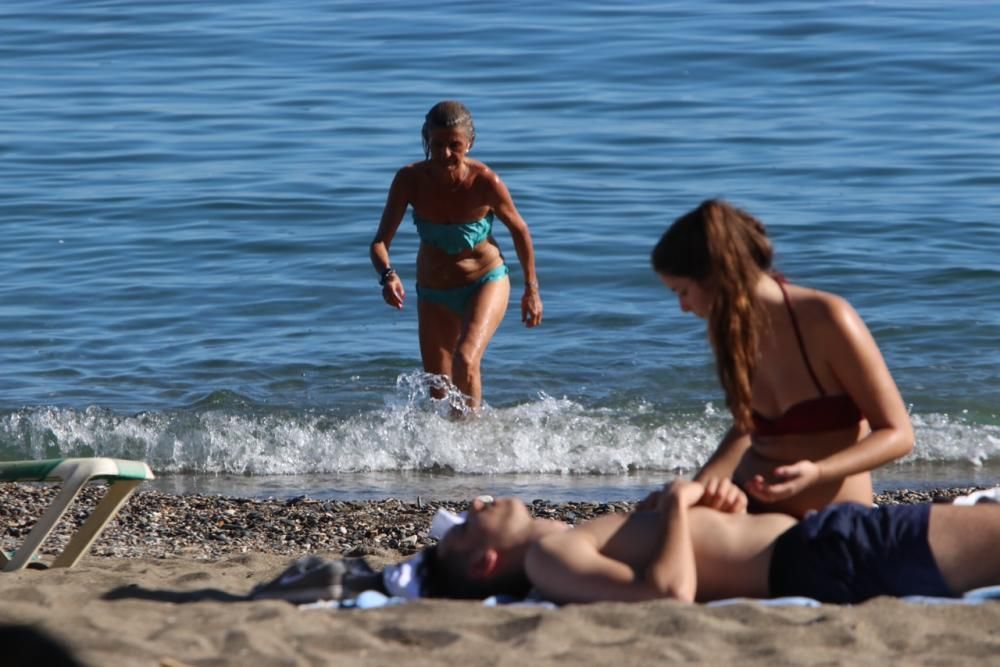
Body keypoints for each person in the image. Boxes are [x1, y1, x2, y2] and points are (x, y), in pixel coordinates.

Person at [650, 199, 914, 517]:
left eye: (682, 291)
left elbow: (898, 435)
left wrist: (817, 472)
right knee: (629, 534)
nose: (683, 307)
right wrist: (698, 488)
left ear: (717, 276)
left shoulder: (827, 318)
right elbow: (745, 429)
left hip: (829, 520)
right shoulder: (729, 329)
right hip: (748, 505)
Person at [421, 480, 1000, 605]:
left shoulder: (566, 545)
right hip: (827, 554)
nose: (474, 505)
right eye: (466, 527)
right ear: (485, 563)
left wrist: (720, 509)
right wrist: (676, 507)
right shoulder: (549, 560)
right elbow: (669, 594)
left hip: (823, 545)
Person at [370, 100, 543, 410]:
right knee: (439, 389)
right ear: (426, 141)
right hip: (434, 292)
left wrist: (531, 290)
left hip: (486, 280)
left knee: (465, 359)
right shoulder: (409, 180)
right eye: (437, 145)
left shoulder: (485, 181)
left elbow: (521, 232)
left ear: (470, 143)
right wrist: (387, 275)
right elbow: (380, 243)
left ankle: (473, 440)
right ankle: (448, 454)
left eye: (455, 145)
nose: (445, 154)